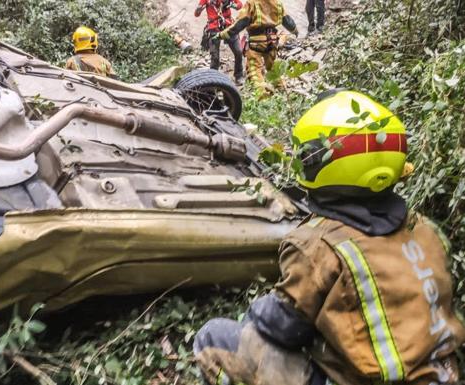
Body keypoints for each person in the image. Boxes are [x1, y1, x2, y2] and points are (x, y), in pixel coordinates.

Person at [193, 90, 465, 385]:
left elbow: (281, 328)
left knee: (214, 338)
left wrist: (261, 312)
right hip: (443, 374)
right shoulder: (426, 229)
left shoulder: (318, 246)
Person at [217, 0, 298, 92]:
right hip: (272, 41)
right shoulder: (277, 3)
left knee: (254, 70)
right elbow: (287, 20)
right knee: (273, 68)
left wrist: (221, 35)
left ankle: (261, 95)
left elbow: (240, 23)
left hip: (256, 42)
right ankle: (282, 91)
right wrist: (294, 30)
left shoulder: (251, 3)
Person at [195, 0, 245, 85]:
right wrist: (199, 9)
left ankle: (238, 76)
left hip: (228, 26)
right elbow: (196, 14)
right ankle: (213, 79)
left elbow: (239, 5)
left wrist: (230, 4)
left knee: (238, 51)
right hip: (214, 28)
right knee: (215, 57)